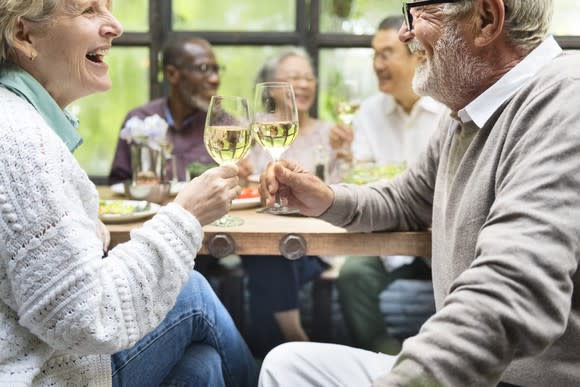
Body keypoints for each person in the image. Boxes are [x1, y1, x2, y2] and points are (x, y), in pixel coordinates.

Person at [258, 0, 580, 386]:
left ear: (486, 19)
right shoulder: (468, 112)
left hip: (512, 379)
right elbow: (406, 200)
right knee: (288, 363)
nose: (404, 32)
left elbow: (512, 287)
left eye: (420, 12)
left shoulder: (565, 102)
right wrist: (326, 198)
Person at [0, 1, 257, 386]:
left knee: (202, 367)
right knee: (195, 294)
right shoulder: (21, 138)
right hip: (38, 373)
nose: (116, 26)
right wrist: (185, 215)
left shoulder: (20, 120)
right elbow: (87, 319)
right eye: (89, 10)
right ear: (24, 35)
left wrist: (85, 227)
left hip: (41, 351)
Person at [329, 15, 447, 354]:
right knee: (353, 274)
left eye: (386, 54)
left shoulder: (446, 110)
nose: (377, 64)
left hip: (438, 235)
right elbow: (361, 178)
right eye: (374, 55)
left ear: (416, 55)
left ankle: (441, 359)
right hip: (388, 232)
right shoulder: (367, 113)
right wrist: (344, 157)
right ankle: (384, 355)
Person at [242, 47, 339, 358]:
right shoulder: (253, 129)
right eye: (293, 77)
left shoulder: (330, 133)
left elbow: (343, 191)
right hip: (263, 235)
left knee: (267, 256)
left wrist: (347, 157)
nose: (304, 84)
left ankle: (268, 357)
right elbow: (241, 184)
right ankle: (299, 344)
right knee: (269, 248)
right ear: (273, 86)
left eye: (308, 78)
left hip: (315, 241)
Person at [109, 37, 221, 184]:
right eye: (203, 68)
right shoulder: (138, 120)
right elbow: (118, 183)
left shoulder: (223, 126)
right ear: (171, 74)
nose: (215, 79)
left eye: (216, 70)